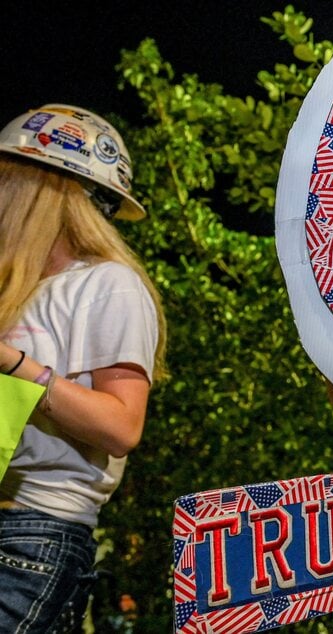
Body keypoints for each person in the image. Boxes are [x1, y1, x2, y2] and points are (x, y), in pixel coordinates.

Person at [0, 104, 166, 633]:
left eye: (7, 175)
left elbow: (121, 426)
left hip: (36, 532)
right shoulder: (18, 291)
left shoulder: (106, 284)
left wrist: (13, 364)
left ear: (48, 187)